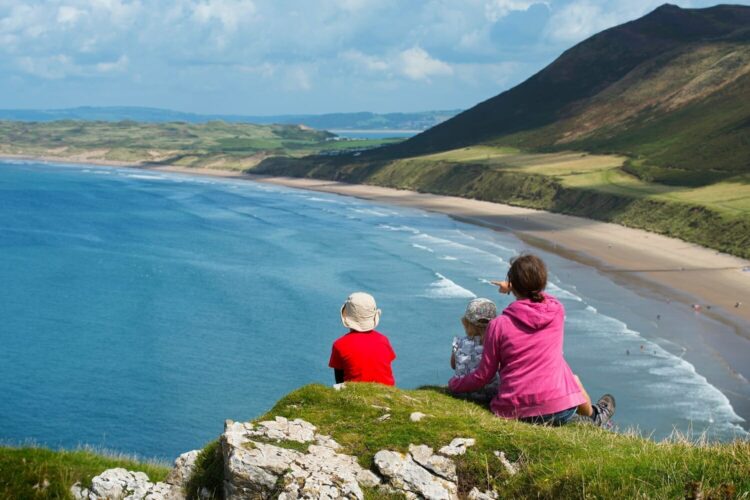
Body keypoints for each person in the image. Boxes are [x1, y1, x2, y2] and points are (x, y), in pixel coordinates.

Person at [449, 254, 615, 427]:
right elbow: (543, 296)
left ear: (514, 286)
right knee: (568, 374)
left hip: (512, 411)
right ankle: (596, 417)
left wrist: (455, 384)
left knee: (562, 369)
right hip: (559, 410)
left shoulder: (498, 325)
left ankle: (594, 419)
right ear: (542, 283)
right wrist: (515, 286)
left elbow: (483, 376)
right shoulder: (556, 311)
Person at [329, 292, 396, 386]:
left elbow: (339, 381)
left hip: (354, 393)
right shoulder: (383, 340)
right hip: (388, 392)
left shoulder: (339, 344)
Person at [450, 298, 499, 402]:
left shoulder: (458, 342)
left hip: (460, 391)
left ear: (466, 322)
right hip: (489, 392)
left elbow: (453, 365)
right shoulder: (494, 344)